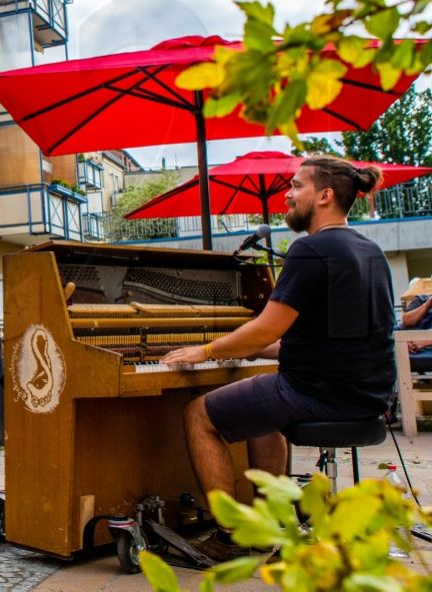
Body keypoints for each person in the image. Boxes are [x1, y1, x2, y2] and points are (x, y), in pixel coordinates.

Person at [161, 157, 395, 551]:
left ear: (324, 196)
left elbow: (267, 327)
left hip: (316, 394)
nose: (287, 194)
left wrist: (205, 349)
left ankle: (230, 537)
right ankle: (269, 525)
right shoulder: (371, 252)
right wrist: (250, 352)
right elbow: (332, 339)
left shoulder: (311, 250)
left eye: (296, 186)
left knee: (197, 414)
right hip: (366, 397)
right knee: (261, 410)